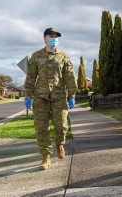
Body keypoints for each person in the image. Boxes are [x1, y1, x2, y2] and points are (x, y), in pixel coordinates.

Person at [24, 27, 77, 170]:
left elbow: (70, 77)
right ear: (45, 38)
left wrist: (72, 94)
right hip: (40, 97)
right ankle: (45, 157)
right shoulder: (36, 56)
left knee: (61, 126)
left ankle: (60, 144)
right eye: (51, 36)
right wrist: (28, 95)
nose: (54, 38)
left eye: (56, 36)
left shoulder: (63, 57)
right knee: (41, 128)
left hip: (59, 97)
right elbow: (30, 77)